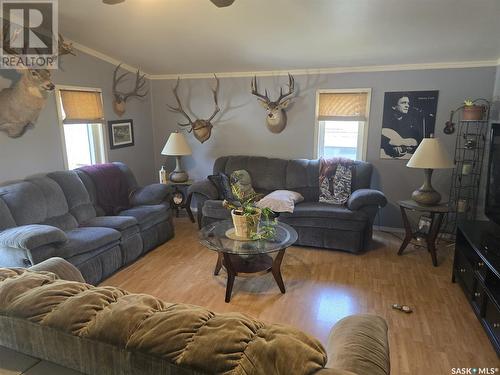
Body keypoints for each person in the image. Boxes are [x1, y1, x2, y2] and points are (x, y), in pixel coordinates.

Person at [380, 94, 423, 159]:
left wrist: (403, 143)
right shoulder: (385, 120)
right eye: (403, 103)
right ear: (394, 106)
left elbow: (418, 140)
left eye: (408, 103)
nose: (407, 106)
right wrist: (391, 146)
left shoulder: (412, 121)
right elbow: (382, 138)